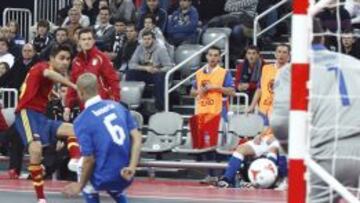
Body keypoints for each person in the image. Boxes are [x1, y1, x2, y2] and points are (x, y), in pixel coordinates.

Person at [14, 44, 81, 203]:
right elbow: (48, 73)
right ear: (51, 59)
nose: (66, 62)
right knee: (35, 150)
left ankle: (75, 160)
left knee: (75, 130)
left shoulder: (49, 78)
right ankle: (41, 198)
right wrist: (73, 85)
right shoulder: (41, 66)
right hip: (26, 113)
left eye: (68, 59)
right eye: (62, 58)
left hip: (41, 117)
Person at [63, 73, 142, 203]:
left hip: (102, 176)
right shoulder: (118, 106)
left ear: (80, 93)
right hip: (124, 173)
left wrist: (79, 186)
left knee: (81, 167)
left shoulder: (81, 120)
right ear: (98, 88)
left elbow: (89, 159)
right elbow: (137, 138)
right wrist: (132, 167)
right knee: (115, 187)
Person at [65, 27, 121, 113]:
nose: (86, 42)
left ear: (94, 41)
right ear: (79, 42)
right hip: (84, 105)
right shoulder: (76, 61)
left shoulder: (102, 58)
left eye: (89, 39)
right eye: (83, 39)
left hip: (102, 104)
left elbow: (113, 80)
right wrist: (68, 106)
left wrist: (115, 101)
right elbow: (73, 84)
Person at [127, 31, 172, 111]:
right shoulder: (139, 48)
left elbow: (169, 66)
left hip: (157, 73)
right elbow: (131, 64)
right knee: (130, 73)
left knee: (159, 77)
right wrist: (145, 68)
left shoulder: (160, 49)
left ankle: (160, 107)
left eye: (149, 39)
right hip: (144, 72)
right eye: (144, 39)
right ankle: (130, 103)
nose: (146, 41)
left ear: (153, 40)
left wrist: (158, 70)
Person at [246, 44, 290, 123]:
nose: (281, 55)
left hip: (281, 112)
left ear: (289, 55)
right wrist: (252, 106)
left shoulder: (292, 71)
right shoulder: (266, 68)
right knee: (263, 134)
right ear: (275, 54)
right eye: (279, 52)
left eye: (284, 52)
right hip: (264, 109)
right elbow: (260, 88)